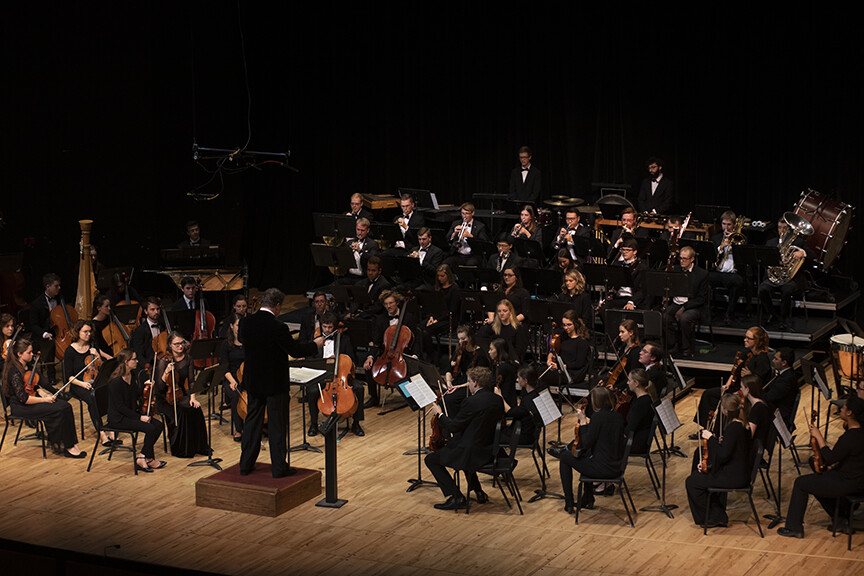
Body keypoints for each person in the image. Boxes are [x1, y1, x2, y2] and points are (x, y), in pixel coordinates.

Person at [238, 288, 323, 478]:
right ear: (277, 306)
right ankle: (278, 468)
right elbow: (294, 350)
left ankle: (245, 464)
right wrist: (315, 345)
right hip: (274, 384)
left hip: (253, 382)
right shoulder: (278, 327)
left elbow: (241, 339)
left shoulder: (246, 322)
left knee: (252, 423)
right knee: (277, 426)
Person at [777, 394, 864, 538]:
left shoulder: (850, 437)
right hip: (858, 480)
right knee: (816, 479)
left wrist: (819, 437)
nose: (841, 408)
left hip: (848, 483)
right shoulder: (859, 433)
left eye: (844, 407)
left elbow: (829, 458)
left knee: (801, 483)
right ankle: (840, 519)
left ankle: (794, 527)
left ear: (849, 413)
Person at [425, 366, 505, 510]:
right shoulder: (497, 400)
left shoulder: (471, 402)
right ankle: (478, 492)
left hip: (472, 452)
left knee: (431, 460)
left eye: (468, 381)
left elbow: (453, 427)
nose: (468, 384)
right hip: (489, 450)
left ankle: (456, 497)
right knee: (458, 447)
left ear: (475, 383)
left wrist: (440, 414)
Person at [2, 337, 85, 458]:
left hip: (32, 400)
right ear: (19, 354)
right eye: (29, 353)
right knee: (59, 409)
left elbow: (32, 385)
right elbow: (24, 398)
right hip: (21, 406)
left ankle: (70, 443)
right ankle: (65, 445)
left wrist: (41, 392)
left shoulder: (27, 366)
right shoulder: (14, 372)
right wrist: (44, 400)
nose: (32, 355)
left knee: (66, 406)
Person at [550, 386, 625, 512]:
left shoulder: (598, 417)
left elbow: (585, 443)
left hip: (603, 469)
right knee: (584, 456)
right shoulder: (617, 416)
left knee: (564, 457)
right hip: (617, 467)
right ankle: (587, 498)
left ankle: (569, 501)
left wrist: (583, 420)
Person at [685, 393, 752, 527]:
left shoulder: (733, 428)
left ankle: (712, 517)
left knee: (692, 482)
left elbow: (722, 455)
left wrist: (711, 438)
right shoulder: (741, 425)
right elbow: (730, 449)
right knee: (700, 476)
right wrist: (721, 441)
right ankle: (717, 514)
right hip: (738, 472)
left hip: (734, 477)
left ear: (725, 410)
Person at [694, 326, 771, 431]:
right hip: (736, 388)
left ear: (757, 341)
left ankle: (718, 431)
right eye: (745, 337)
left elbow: (758, 384)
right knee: (708, 394)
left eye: (748, 338)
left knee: (725, 402)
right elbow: (734, 371)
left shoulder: (762, 360)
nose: (745, 340)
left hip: (747, 394)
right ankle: (706, 428)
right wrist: (727, 384)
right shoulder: (746, 353)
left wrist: (749, 375)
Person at [306, 313, 365, 437]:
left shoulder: (344, 340)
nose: (327, 330)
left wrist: (347, 366)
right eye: (325, 327)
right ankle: (313, 424)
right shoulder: (315, 340)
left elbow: (352, 359)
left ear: (334, 327)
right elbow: (310, 359)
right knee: (311, 391)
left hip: (342, 376)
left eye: (330, 327)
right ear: (321, 326)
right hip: (322, 376)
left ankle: (356, 423)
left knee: (359, 388)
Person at [107, 349, 165, 472]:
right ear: (127, 362)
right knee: (150, 428)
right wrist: (139, 418)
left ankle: (145, 457)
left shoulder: (131, 376)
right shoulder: (115, 382)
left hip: (130, 414)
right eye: (134, 359)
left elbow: (136, 394)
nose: (137, 361)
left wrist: (147, 386)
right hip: (118, 418)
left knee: (158, 425)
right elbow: (120, 407)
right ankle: (144, 458)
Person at [153, 331, 208, 458]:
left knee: (195, 408)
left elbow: (192, 381)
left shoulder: (188, 358)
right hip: (165, 397)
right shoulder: (164, 361)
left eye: (182, 343)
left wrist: (193, 398)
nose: (180, 346)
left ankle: (198, 446)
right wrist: (165, 372)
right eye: (176, 344)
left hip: (180, 393)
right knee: (182, 410)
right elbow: (159, 388)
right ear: (170, 345)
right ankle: (182, 447)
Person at [63, 319, 115, 447]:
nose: (88, 334)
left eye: (90, 331)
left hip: (94, 380)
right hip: (78, 385)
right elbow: (68, 377)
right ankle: (102, 433)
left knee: (111, 392)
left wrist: (97, 355)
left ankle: (112, 428)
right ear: (78, 332)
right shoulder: (70, 351)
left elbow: (101, 367)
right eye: (85, 332)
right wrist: (82, 384)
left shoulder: (93, 347)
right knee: (93, 398)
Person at [362, 290, 418, 407]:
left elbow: (416, 338)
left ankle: (409, 395)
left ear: (397, 302)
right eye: (386, 304)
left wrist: (415, 355)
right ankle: (374, 397)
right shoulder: (380, 319)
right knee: (368, 366)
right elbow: (377, 342)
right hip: (385, 353)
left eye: (391, 303)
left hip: (404, 352)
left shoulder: (409, 317)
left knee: (407, 366)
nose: (388, 306)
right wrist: (370, 356)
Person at [758, 216, 811, 331]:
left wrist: (802, 252)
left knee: (787, 290)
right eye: (779, 228)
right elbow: (763, 261)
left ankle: (784, 318)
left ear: (789, 229)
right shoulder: (770, 242)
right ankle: (772, 314)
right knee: (762, 289)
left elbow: (813, 257)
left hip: (791, 278)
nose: (781, 230)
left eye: (784, 228)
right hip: (774, 277)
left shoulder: (798, 242)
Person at [663, 245, 710, 357]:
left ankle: (687, 348)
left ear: (692, 259)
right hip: (676, 303)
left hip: (693, 306)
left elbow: (701, 298)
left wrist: (684, 308)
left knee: (685, 318)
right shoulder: (675, 269)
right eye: (681, 258)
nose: (682, 261)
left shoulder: (701, 274)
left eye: (685, 259)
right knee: (664, 317)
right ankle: (673, 345)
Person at [709, 211, 747, 325]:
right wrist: (721, 247)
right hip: (718, 272)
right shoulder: (715, 238)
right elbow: (711, 256)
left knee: (736, 282)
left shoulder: (740, 238)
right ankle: (708, 312)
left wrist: (733, 244)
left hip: (733, 273)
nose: (726, 227)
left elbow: (744, 257)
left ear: (734, 225)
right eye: (724, 224)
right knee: (703, 278)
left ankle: (729, 314)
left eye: (729, 224)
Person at [442, 325, 488, 415]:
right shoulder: (459, 350)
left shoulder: (480, 354)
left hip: (471, 385)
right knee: (443, 396)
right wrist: (448, 383)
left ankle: (455, 423)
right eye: (459, 339)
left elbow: (478, 380)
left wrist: (457, 387)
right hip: (461, 380)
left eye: (463, 339)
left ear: (470, 337)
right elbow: (449, 370)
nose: (460, 342)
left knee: (451, 399)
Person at [420, 264, 461, 364]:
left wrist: (436, 320)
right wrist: (431, 317)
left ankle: (432, 355)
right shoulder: (437, 288)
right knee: (419, 327)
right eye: (438, 276)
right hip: (436, 317)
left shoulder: (454, 289)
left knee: (426, 331)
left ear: (448, 276)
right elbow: (432, 305)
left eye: (442, 276)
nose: (440, 278)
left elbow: (452, 310)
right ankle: (422, 355)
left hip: (449, 319)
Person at [27, 272, 63, 385]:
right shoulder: (36, 304)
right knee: (50, 343)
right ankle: (51, 375)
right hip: (43, 334)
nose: (59, 288)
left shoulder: (60, 299)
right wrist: (44, 334)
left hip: (59, 331)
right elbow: (33, 325)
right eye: (56, 286)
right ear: (48, 287)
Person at [542, 311, 591, 389]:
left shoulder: (582, 341)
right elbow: (553, 351)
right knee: (536, 372)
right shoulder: (563, 336)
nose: (565, 328)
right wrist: (549, 359)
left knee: (542, 377)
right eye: (564, 325)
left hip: (572, 374)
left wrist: (560, 367)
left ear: (575, 324)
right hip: (560, 369)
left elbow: (579, 363)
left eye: (569, 325)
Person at [496, 364, 543, 445]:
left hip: (522, 436)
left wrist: (500, 396)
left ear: (525, 380)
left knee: (493, 436)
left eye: (519, 377)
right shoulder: (535, 394)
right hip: (528, 432)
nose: (517, 380)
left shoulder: (529, 400)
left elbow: (510, 412)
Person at [597, 238, 648, 314]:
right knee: (603, 309)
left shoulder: (641, 267)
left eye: (628, 250)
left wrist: (631, 302)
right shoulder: (617, 265)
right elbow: (611, 285)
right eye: (623, 250)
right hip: (618, 298)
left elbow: (642, 290)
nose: (624, 252)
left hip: (632, 298)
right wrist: (606, 299)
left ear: (635, 252)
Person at [219, 313, 246, 442]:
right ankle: (239, 429)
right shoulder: (226, 345)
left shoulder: (248, 342)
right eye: (237, 325)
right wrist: (233, 381)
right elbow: (224, 368)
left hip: (247, 378)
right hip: (231, 379)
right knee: (236, 395)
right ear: (231, 326)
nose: (239, 328)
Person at [597, 319, 641, 392]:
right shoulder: (623, 349)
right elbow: (616, 370)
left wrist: (617, 386)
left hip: (628, 387)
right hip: (620, 383)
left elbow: (633, 376)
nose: (619, 334)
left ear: (631, 333)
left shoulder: (636, 352)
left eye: (622, 332)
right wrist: (605, 381)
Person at [762, 348, 801, 427]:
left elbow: (769, 397)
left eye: (776, 359)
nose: (773, 361)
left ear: (784, 363)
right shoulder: (786, 374)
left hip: (778, 417)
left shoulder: (786, 380)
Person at [624, 368, 658, 455]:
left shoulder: (641, 404)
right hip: (638, 440)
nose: (627, 383)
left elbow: (630, 428)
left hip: (635, 443)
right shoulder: (644, 398)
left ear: (636, 383)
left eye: (629, 380)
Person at [445, 203, 489, 268]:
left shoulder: (480, 226)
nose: (464, 216)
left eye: (467, 213)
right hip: (458, 254)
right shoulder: (456, 223)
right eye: (462, 213)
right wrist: (454, 233)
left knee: (470, 266)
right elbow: (447, 239)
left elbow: (484, 243)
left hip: (472, 255)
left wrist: (470, 236)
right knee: (445, 264)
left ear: (472, 213)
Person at [339, 217, 379, 283]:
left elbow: (373, 260)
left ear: (367, 230)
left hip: (363, 278)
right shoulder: (349, 243)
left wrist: (360, 251)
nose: (359, 233)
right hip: (349, 276)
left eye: (362, 230)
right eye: (358, 230)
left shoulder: (373, 244)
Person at [740, 374, 772, 451]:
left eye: (742, 387)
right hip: (756, 446)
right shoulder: (760, 403)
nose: (740, 389)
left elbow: (749, 435)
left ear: (747, 389)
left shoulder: (757, 408)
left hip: (752, 450)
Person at [132, 297, 164, 373]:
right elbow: (139, 354)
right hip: (149, 366)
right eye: (152, 309)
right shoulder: (140, 330)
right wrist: (148, 367)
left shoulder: (163, 326)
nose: (156, 312)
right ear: (146, 311)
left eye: (158, 309)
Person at [488, 338, 518, 409]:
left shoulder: (503, 367)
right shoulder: (499, 364)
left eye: (491, 349)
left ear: (498, 351)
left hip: (505, 402)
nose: (489, 352)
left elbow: (494, 384)